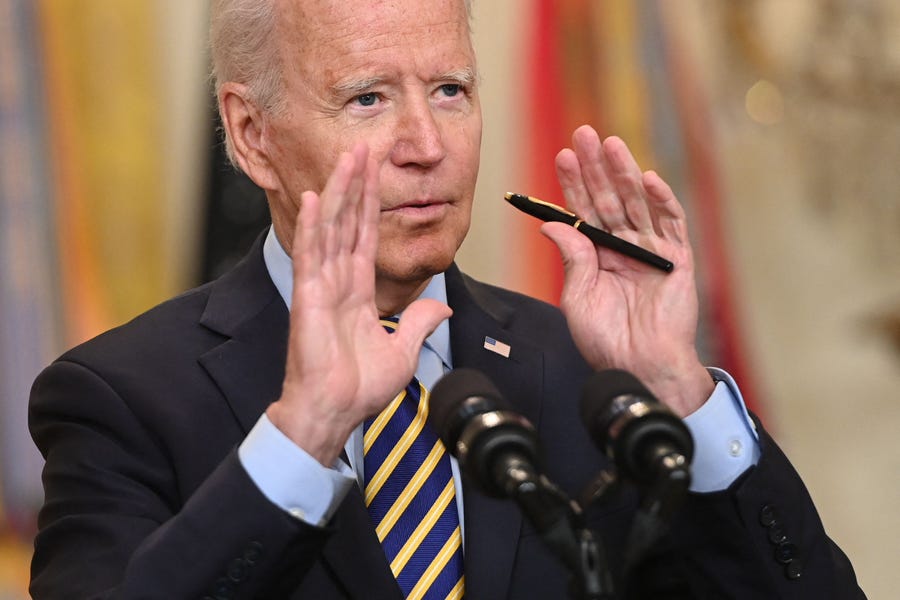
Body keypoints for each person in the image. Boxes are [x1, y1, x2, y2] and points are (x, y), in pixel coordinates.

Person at [28, 0, 864, 598]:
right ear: (253, 136)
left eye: (450, 91)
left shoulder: (592, 373)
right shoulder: (119, 396)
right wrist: (305, 434)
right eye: (368, 98)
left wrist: (680, 390)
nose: (426, 147)